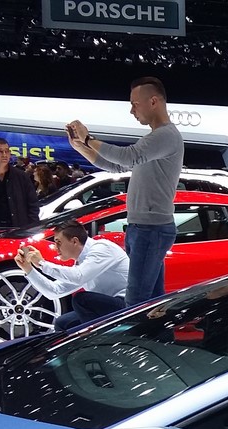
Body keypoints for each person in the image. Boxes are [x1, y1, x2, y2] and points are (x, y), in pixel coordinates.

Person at [66, 76, 183, 305]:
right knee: (152, 301)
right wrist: (81, 146)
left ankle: (135, 330)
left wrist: (88, 139)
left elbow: (128, 157)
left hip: (150, 229)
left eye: (134, 104)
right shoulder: (156, 139)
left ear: (153, 101)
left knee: (135, 302)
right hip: (144, 227)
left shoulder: (166, 135)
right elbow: (118, 166)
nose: (132, 111)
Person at [17, 219, 130, 331]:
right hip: (107, 307)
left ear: (74, 241)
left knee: (81, 300)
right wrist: (29, 269)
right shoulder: (81, 264)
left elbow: (79, 277)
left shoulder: (102, 249)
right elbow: (54, 291)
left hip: (129, 306)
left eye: (58, 242)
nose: (56, 247)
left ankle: (100, 338)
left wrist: (42, 264)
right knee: (62, 323)